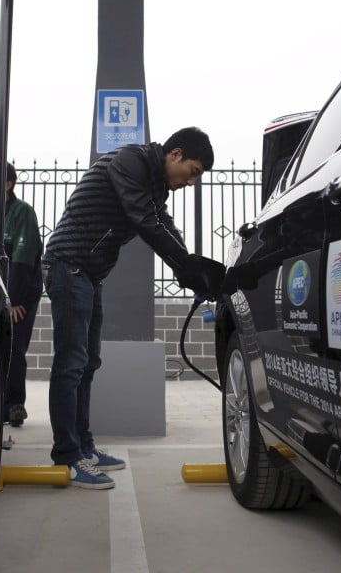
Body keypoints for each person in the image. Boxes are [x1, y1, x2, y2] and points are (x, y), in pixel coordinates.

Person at [42, 127, 226, 489]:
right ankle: (67, 454)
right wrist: (183, 265)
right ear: (175, 154)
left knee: (88, 363)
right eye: (193, 173)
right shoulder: (131, 161)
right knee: (70, 364)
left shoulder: (154, 185)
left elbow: (162, 223)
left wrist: (190, 264)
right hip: (67, 265)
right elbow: (144, 219)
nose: (191, 183)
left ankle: (84, 447)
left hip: (89, 275)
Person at [0, 161, 43, 427]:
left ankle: (15, 405)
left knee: (16, 348)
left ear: (7, 184)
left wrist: (15, 300)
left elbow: (22, 259)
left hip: (21, 295)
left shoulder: (23, 213)